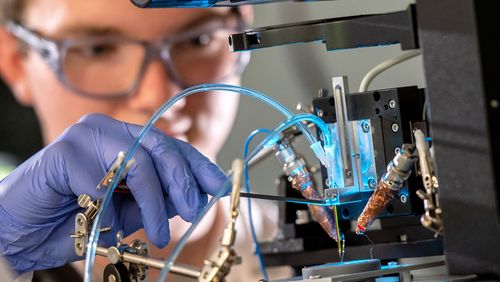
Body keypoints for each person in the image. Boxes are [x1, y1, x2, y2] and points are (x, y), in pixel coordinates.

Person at [0, 0, 289, 281]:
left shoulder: (318, 261)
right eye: (98, 49)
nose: (160, 95)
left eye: (197, 41)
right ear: (14, 60)